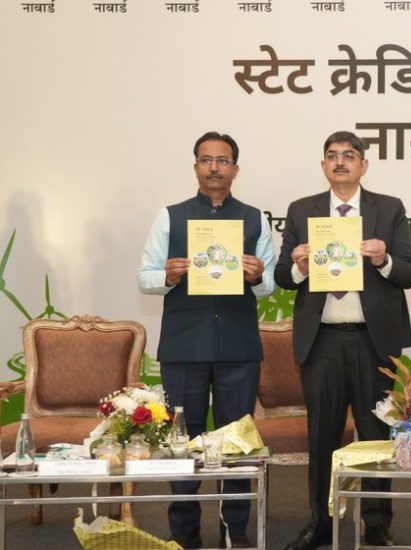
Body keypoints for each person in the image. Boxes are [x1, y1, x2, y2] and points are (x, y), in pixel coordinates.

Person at [275, 131, 411, 550]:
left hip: (373, 341)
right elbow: (283, 276)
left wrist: (383, 258)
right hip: (322, 341)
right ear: (323, 165)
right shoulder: (301, 210)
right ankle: (320, 521)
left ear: (363, 165)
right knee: (322, 436)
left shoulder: (388, 209)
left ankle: (376, 522)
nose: (340, 162)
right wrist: (300, 266)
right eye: (332, 156)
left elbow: (409, 272)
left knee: (375, 435)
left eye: (349, 155)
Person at [137, 131, 276, 549]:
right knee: (184, 440)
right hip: (184, 346)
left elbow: (269, 285)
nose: (215, 167)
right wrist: (168, 275)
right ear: (195, 166)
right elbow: (144, 277)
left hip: (238, 346)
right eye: (206, 160)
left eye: (223, 160)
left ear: (235, 168)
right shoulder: (169, 217)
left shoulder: (254, 218)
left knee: (237, 440)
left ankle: (236, 528)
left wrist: (257, 276)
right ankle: (184, 530)